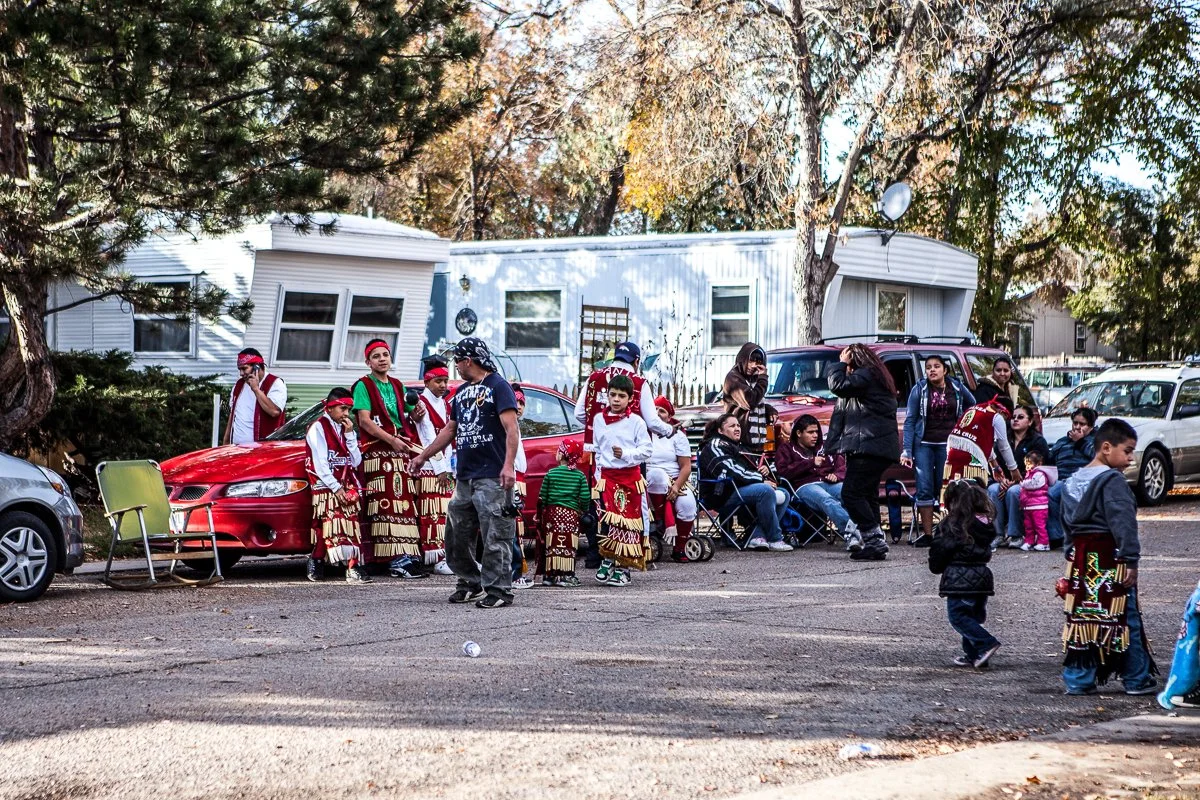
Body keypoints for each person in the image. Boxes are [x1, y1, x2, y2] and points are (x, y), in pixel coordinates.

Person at [409, 337, 520, 609]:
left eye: (457, 361)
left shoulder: (498, 386)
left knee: (495, 534)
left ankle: (499, 590)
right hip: (466, 476)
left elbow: (512, 428)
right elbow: (450, 430)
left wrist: (508, 465)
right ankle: (471, 583)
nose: (455, 367)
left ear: (468, 360)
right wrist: (423, 456)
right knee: (456, 534)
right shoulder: (461, 392)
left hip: (492, 475)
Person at [1058, 418, 1157, 696]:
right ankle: (1136, 678)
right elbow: (1124, 524)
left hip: (1080, 561)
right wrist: (1130, 560)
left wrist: (1071, 553)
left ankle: (1078, 679)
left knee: (1081, 619)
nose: (1130, 458)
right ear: (1105, 447)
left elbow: (1066, 524)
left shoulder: (1072, 481)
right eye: (1127, 451)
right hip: (1111, 560)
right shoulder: (1112, 481)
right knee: (1124, 618)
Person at [352, 338, 423, 576]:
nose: (382, 359)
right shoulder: (363, 385)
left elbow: (413, 413)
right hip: (378, 451)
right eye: (376, 356)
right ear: (368, 362)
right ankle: (394, 559)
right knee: (386, 503)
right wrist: (391, 439)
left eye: (385, 355)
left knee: (404, 504)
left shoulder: (397, 385)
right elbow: (364, 420)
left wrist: (419, 411)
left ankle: (406, 554)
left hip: (400, 449)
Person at [825, 343, 900, 562]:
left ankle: (874, 540)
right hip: (876, 447)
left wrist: (840, 363)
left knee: (851, 494)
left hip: (869, 446)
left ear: (854, 360)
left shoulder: (866, 376)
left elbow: (837, 385)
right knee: (867, 495)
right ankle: (874, 542)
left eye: (848, 362)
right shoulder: (876, 377)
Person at [901, 355, 976, 542]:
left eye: (936, 366)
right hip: (924, 444)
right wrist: (907, 451)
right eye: (928, 367)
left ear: (945, 370)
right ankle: (927, 535)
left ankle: (948, 532)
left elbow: (973, 406)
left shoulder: (957, 388)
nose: (932, 370)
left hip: (948, 444)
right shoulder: (919, 389)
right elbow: (910, 421)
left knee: (947, 487)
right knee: (925, 487)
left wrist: (963, 430)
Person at [928, 479, 1000, 669]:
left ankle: (986, 643)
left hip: (959, 578)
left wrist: (936, 565)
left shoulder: (953, 525)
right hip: (982, 578)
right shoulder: (984, 523)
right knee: (972, 618)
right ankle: (975, 654)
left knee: (958, 617)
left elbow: (940, 550)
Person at [591, 374, 654, 585]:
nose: (616, 399)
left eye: (621, 396)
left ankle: (624, 568)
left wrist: (626, 454)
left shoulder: (636, 422)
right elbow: (598, 451)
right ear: (607, 396)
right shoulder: (599, 420)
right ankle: (609, 557)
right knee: (608, 520)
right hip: (608, 477)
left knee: (628, 523)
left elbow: (646, 450)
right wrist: (598, 477)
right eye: (613, 395)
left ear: (630, 399)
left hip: (629, 476)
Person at [697, 413, 792, 552]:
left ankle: (757, 537)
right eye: (732, 426)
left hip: (741, 489)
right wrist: (760, 478)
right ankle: (775, 538)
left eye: (738, 425)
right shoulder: (715, 445)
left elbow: (753, 468)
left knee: (784, 494)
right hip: (721, 494)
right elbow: (731, 470)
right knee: (765, 491)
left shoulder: (740, 447)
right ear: (720, 430)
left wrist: (765, 470)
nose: (737, 429)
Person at [304, 388, 369, 584]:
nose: (346, 414)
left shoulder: (345, 428)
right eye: (343, 409)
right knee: (329, 525)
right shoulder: (318, 428)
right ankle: (316, 560)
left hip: (345, 483)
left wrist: (350, 436)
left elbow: (356, 461)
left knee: (351, 525)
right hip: (326, 485)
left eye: (349, 409)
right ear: (330, 407)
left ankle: (353, 568)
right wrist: (336, 487)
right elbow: (320, 463)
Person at [574, 340, 674, 463]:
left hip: (598, 451)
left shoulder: (594, 378)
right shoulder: (639, 382)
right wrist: (668, 430)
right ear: (636, 362)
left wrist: (603, 427)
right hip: (630, 452)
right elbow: (652, 422)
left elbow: (579, 413)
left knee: (599, 481)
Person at [774, 413, 850, 541]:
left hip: (829, 482)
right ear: (799, 433)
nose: (815, 435)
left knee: (850, 494)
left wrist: (836, 475)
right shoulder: (786, 449)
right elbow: (783, 472)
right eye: (810, 432)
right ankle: (853, 532)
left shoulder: (826, 447)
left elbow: (842, 467)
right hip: (804, 486)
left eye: (816, 432)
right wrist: (809, 463)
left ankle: (865, 531)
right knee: (827, 500)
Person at [412, 355, 455, 575]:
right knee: (432, 514)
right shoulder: (422, 403)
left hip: (446, 465)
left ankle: (449, 555)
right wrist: (441, 469)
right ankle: (436, 556)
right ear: (427, 381)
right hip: (431, 467)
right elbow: (428, 439)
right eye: (438, 381)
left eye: (445, 381)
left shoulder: (445, 404)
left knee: (446, 514)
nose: (443, 385)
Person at [988, 404, 1051, 549]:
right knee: (992, 489)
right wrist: (1002, 480)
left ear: (1029, 422)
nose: (1015, 420)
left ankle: (1015, 534)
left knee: (1014, 491)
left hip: (1029, 482)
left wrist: (1017, 481)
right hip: (1005, 479)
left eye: (1020, 417)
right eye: (1013, 417)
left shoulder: (1037, 441)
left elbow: (1040, 468)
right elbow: (995, 462)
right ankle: (998, 534)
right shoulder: (1004, 439)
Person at [645, 396, 697, 563]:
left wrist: (676, 487)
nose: (658, 414)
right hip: (649, 481)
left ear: (669, 416)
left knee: (688, 504)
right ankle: (661, 519)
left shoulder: (678, 436)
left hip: (676, 480)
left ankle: (680, 547)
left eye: (662, 411)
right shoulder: (642, 431)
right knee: (657, 475)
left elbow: (686, 467)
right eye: (654, 410)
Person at [536, 439, 591, 587]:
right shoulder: (579, 476)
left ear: (562, 454)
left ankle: (549, 576)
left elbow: (543, 496)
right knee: (568, 544)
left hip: (552, 515)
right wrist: (583, 510)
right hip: (571, 515)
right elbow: (585, 497)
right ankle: (567, 576)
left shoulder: (551, 473)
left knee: (552, 543)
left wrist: (540, 512)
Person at [1046, 407, 1098, 548]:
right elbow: (1049, 458)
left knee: (1060, 493)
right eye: (1075, 423)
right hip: (1061, 479)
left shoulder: (1095, 441)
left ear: (1091, 426)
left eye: (1082, 424)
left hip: (1084, 480)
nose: (1077, 427)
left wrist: (1080, 441)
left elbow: (1096, 456)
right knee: (1046, 493)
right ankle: (1054, 535)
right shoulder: (1063, 441)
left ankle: (1065, 536)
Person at [944, 395, 1020, 489]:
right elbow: (1004, 447)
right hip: (971, 459)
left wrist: (994, 466)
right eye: (1005, 418)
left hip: (952, 455)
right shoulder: (996, 417)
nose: (1004, 421)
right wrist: (1013, 469)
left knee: (952, 490)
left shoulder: (974, 408)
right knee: (972, 493)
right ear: (1002, 411)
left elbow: (980, 442)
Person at [224, 348, 287, 445]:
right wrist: (226, 441)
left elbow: (274, 411)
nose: (241, 373)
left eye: (244, 368)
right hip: (236, 449)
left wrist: (256, 389)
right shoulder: (238, 385)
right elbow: (233, 416)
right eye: (239, 369)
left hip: (262, 450)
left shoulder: (275, 383)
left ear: (257, 367)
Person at [722, 342, 777, 452]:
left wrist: (767, 409)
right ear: (742, 359)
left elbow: (755, 400)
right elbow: (749, 401)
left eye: (758, 362)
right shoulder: (733, 378)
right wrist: (763, 378)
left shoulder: (754, 380)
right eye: (750, 360)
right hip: (740, 443)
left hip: (758, 444)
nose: (753, 365)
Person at [510, 387, 533, 588]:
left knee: (516, 529)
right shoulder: (507, 426)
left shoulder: (515, 425)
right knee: (512, 529)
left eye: (521, 403)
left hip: (519, 480)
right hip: (512, 481)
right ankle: (514, 574)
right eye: (515, 401)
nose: (518, 407)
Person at [1017, 451, 1056, 551]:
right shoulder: (1028, 474)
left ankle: (1044, 542)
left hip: (1039, 506)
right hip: (1029, 505)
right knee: (1028, 526)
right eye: (1026, 463)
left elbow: (1033, 484)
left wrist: (1022, 483)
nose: (1027, 466)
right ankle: (1029, 541)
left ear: (1038, 464)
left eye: (1029, 463)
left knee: (1039, 526)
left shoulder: (1040, 474)